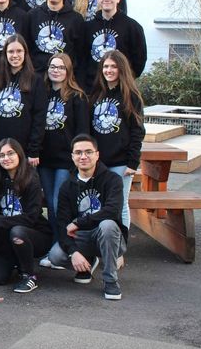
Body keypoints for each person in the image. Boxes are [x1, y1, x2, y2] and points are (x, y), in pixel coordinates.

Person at [48, 134, 128, 300]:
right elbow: (63, 224)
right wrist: (73, 252)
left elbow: (112, 211)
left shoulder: (112, 180)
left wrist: (78, 222)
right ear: (72, 157)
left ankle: (110, 280)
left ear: (97, 154)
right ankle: (86, 264)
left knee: (107, 224)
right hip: (82, 238)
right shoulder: (67, 186)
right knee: (55, 256)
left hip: (108, 237)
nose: (83, 156)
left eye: (88, 152)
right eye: (78, 153)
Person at [0, 138, 53, 293]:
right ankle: (17, 260)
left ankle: (29, 276)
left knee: (18, 231)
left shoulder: (31, 178)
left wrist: (1, 221)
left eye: (10, 153)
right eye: (2, 155)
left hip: (35, 234)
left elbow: (31, 217)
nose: (6, 158)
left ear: (19, 155)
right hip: (6, 236)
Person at [89, 50, 145, 230]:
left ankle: (119, 250)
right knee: (97, 204)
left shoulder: (131, 96)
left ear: (122, 69)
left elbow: (137, 131)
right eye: (105, 66)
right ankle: (98, 246)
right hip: (98, 163)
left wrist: (132, 162)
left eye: (113, 66)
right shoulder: (96, 94)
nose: (109, 70)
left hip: (120, 163)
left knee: (120, 206)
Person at [39, 53, 89, 245]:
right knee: (50, 205)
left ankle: (64, 245)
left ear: (68, 71)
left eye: (61, 67)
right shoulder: (43, 93)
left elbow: (82, 131)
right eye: (53, 66)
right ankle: (55, 243)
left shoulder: (77, 97)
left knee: (58, 202)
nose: (56, 70)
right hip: (44, 159)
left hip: (65, 160)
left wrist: (78, 158)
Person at [0, 34, 47, 166]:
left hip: (25, 151)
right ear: (5, 54)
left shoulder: (36, 80)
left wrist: (33, 150)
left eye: (19, 51)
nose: (15, 55)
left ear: (25, 53)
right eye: (11, 51)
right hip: (1, 150)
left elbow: (39, 117)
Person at [26, 0, 87, 77]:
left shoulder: (76, 19)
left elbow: (80, 53)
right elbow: (27, 47)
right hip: (37, 76)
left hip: (64, 78)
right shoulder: (32, 16)